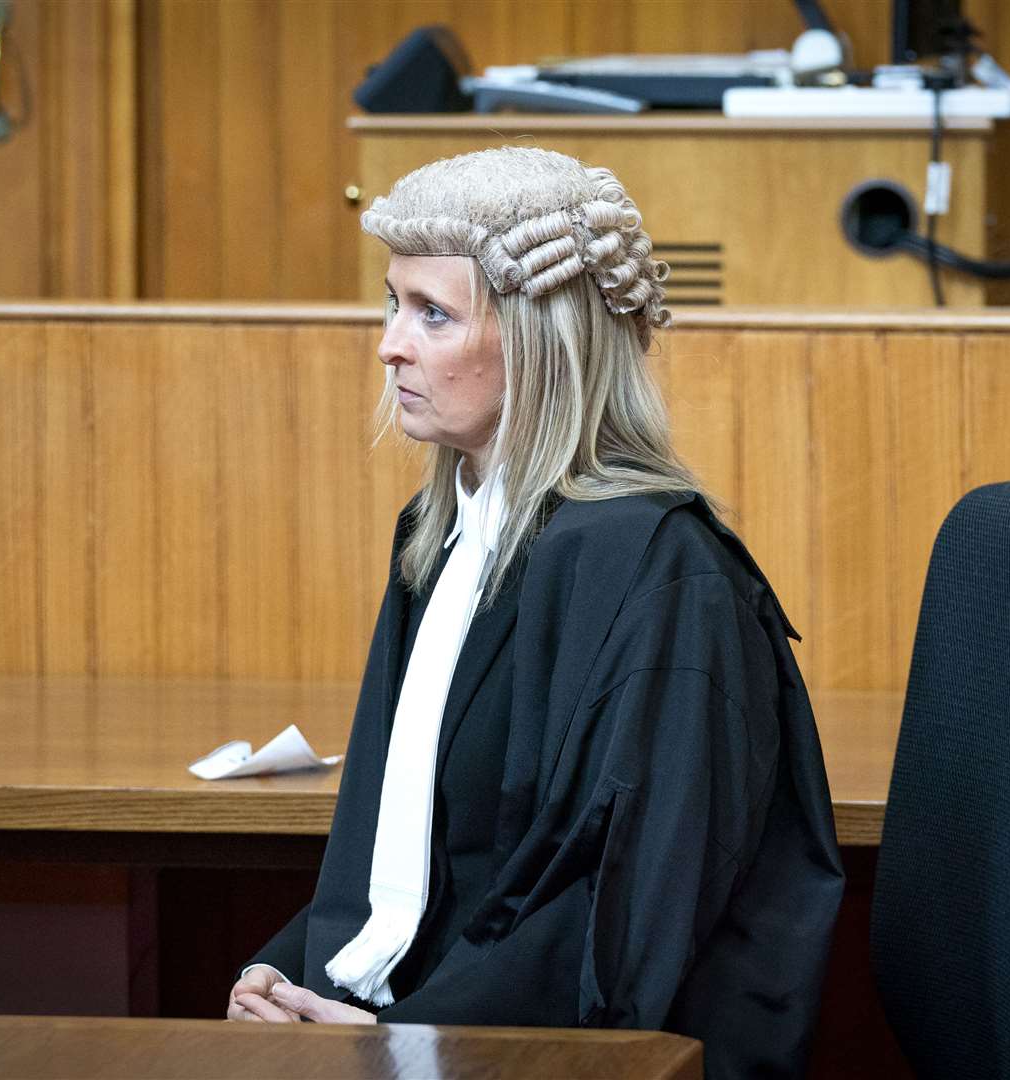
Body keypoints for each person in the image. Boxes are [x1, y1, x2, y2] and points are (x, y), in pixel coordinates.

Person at [226, 146, 844, 1077]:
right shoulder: (440, 535)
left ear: (542, 341)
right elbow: (419, 868)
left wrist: (399, 1045)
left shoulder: (667, 579)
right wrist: (283, 973)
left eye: (433, 313)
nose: (391, 343)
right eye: (393, 305)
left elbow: (614, 920)